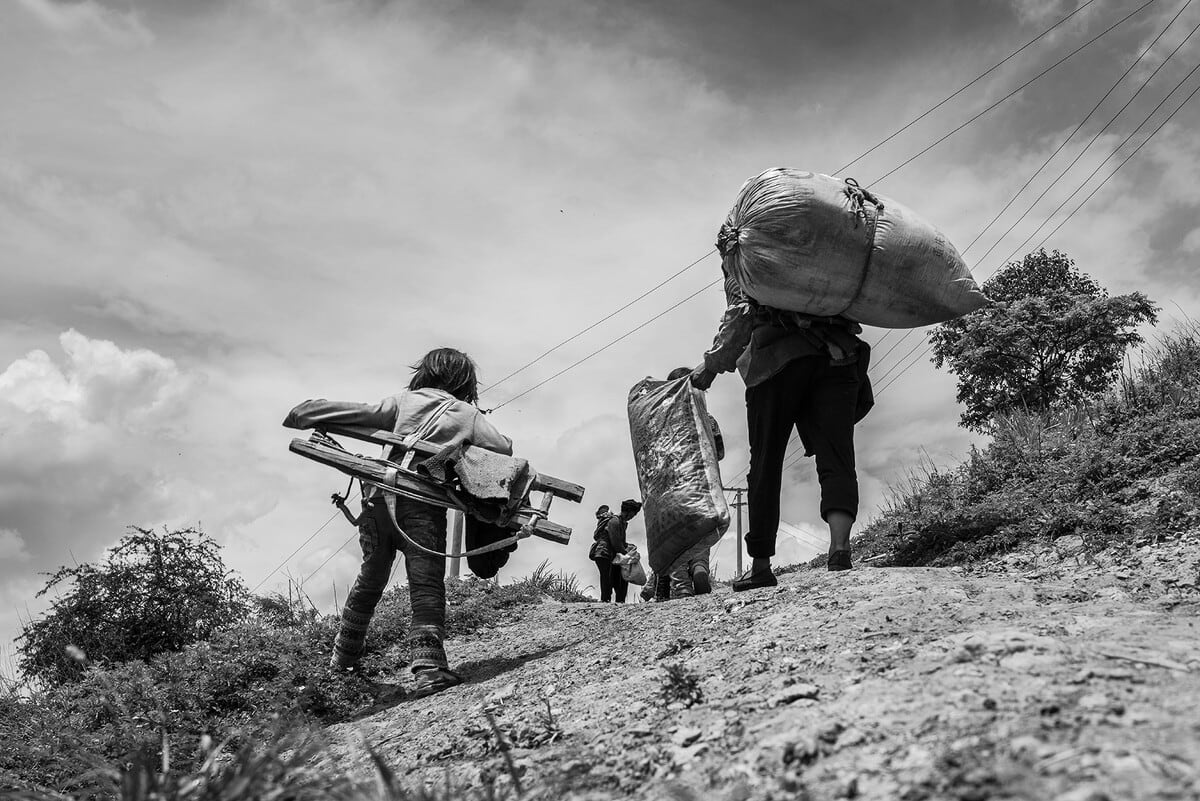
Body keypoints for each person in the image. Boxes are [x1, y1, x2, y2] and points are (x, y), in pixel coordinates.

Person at [283, 347, 512, 698]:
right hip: (420, 507)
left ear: (425, 373)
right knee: (426, 584)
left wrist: (306, 412)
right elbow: (503, 448)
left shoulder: (404, 401)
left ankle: (343, 663)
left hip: (376, 503)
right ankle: (430, 670)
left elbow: (363, 413)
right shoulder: (466, 413)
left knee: (370, 579)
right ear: (464, 381)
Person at [691, 258, 873, 591]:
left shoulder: (750, 252)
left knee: (765, 462)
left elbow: (741, 315)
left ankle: (761, 565)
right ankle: (840, 548)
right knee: (837, 454)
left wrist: (712, 366)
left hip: (774, 361)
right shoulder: (830, 250)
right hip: (838, 356)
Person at [662, 366, 725, 599]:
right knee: (701, 531)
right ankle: (699, 567)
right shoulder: (708, 419)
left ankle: (682, 586)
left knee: (675, 536)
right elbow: (719, 453)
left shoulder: (664, 420)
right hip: (702, 485)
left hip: (673, 486)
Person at [593, 499, 642, 602]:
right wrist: (628, 554)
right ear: (628, 511)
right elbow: (615, 542)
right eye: (632, 514)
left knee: (618, 579)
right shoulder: (614, 521)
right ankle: (606, 602)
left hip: (611, 554)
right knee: (607, 579)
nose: (632, 517)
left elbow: (619, 542)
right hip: (604, 553)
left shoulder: (622, 523)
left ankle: (618, 602)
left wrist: (628, 548)